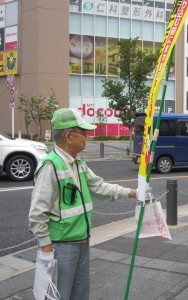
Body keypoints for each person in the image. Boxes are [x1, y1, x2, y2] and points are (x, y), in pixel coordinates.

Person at [28, 108, 146, 300]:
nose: (87, 137)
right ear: (69, 136)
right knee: (60, 294)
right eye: (83, 133)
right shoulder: (50, 166)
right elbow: (37, 212)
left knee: (80, 294)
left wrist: (133, 193)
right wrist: (45, 246)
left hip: (81, 241)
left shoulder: (78, 163)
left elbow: (99, 188)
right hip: (61, 245)